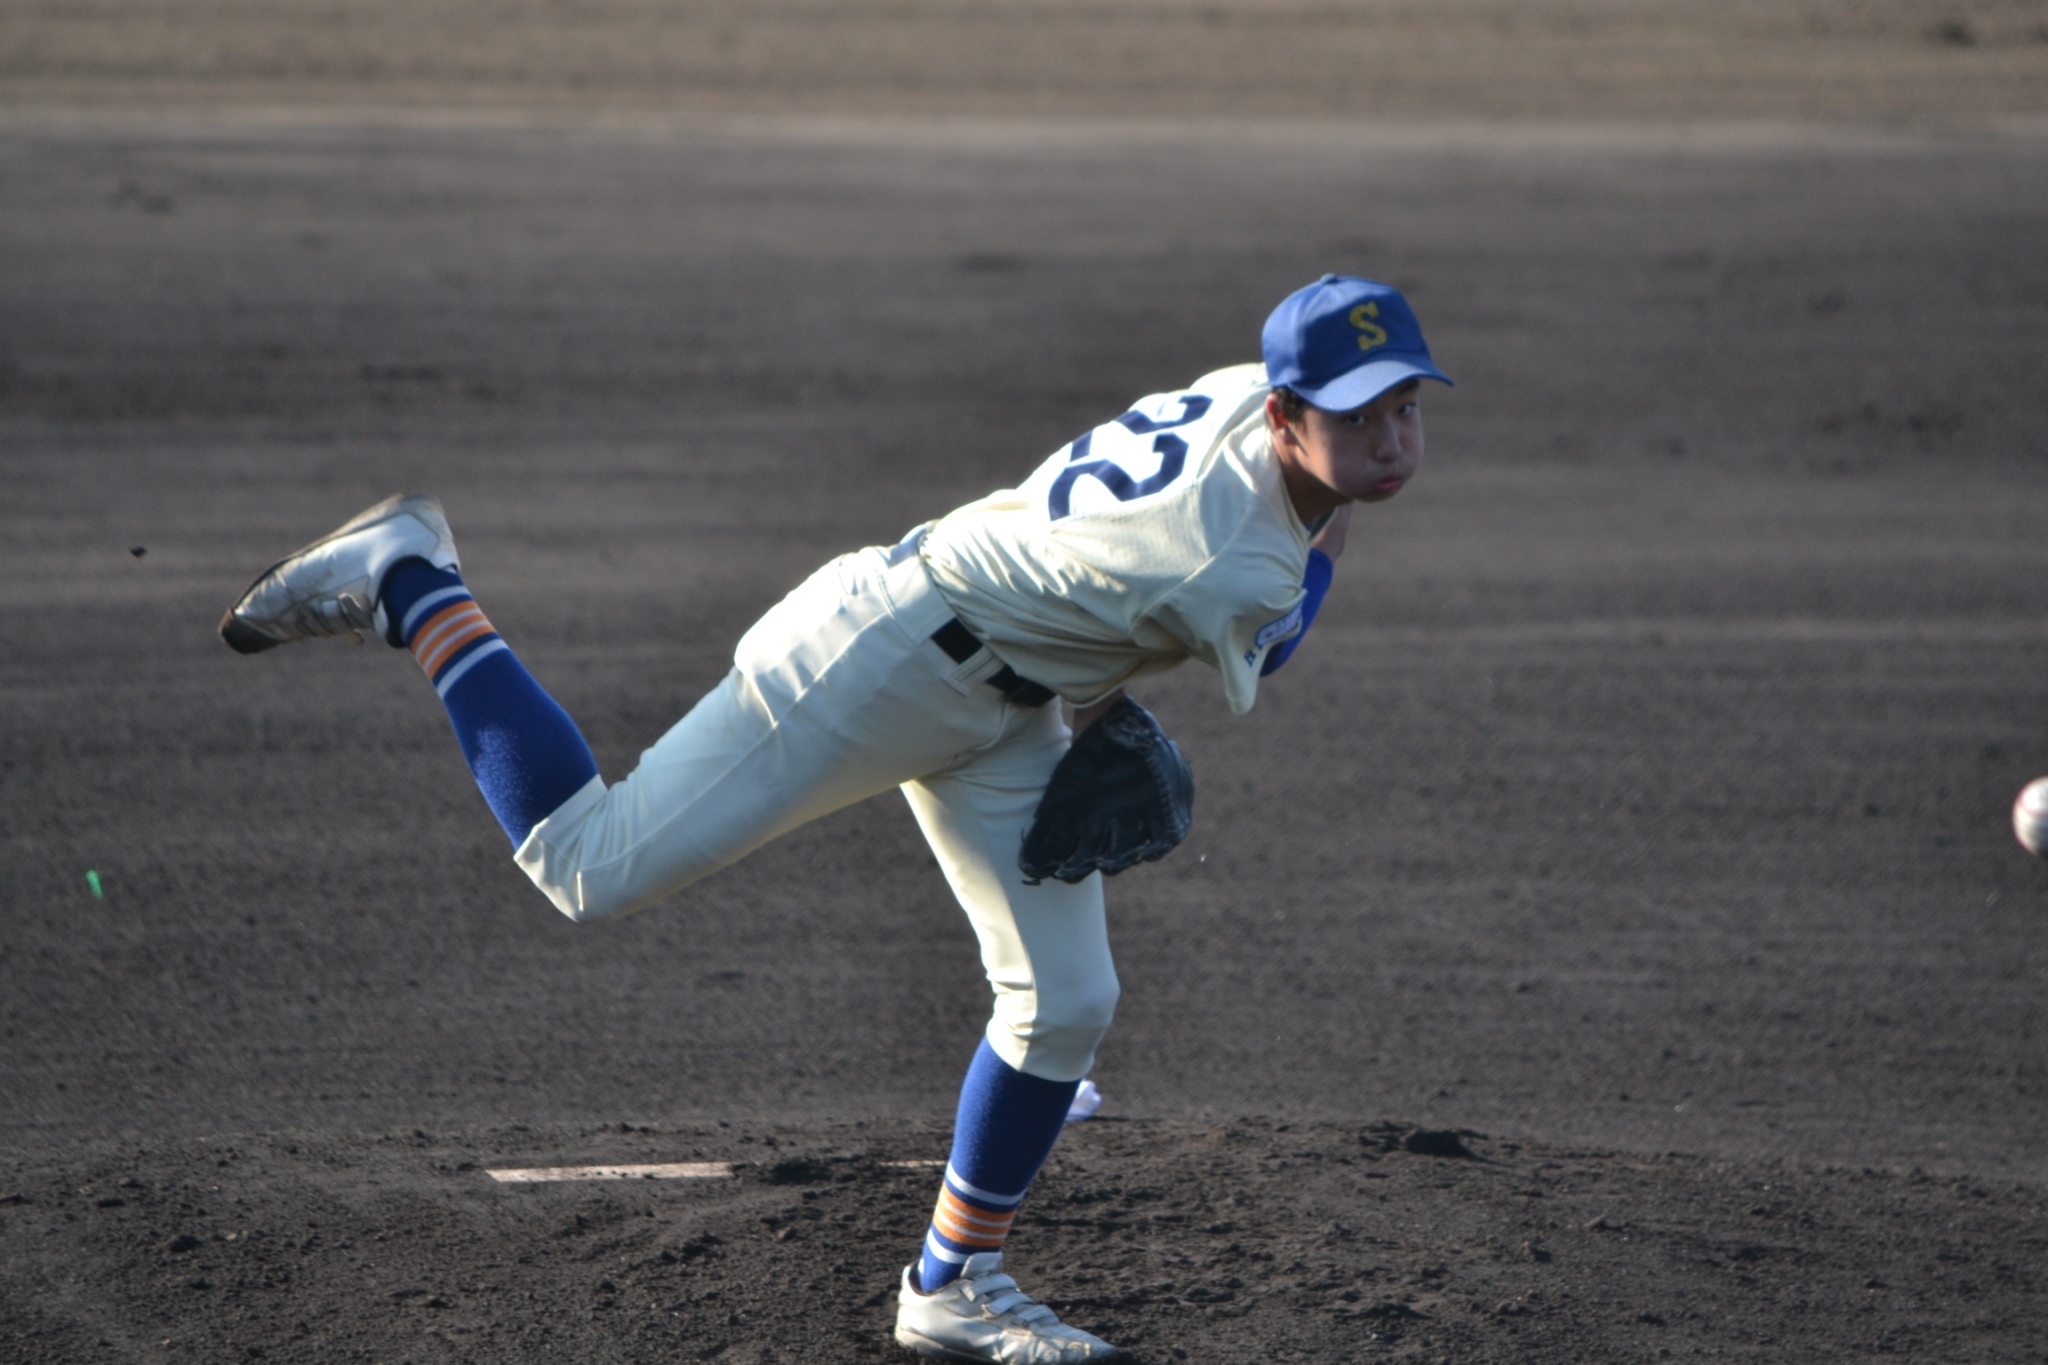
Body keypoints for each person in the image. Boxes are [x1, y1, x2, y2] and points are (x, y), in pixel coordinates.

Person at [218, 274, 1450, 1364]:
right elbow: (1279, 615)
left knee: (1066, 1000)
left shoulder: (1239, 393)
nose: (1391, 440)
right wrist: (1300, 542)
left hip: (1006, 700)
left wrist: (1113, 673)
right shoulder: (1231, 568)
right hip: (873, 661)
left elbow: (1197, 573)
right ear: (1282, 415)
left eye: (1404, 408)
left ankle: (950, 1287)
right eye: (1356, 419)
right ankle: (411, 581)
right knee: (585, 865)